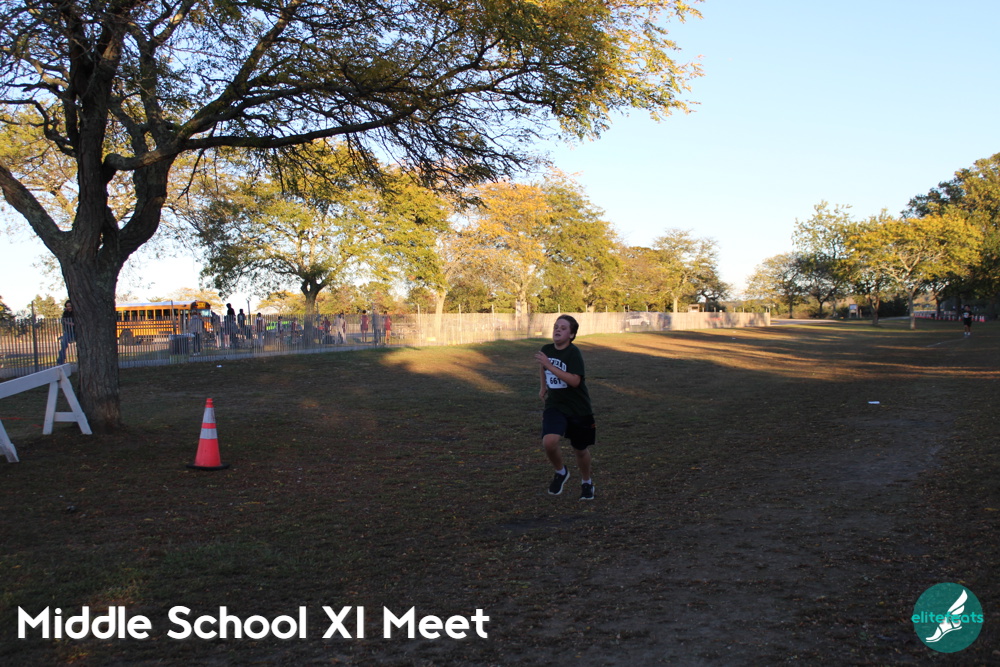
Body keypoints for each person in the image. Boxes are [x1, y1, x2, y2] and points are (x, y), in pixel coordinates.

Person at [534, 315, 597, 501]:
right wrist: (543, 386)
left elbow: (575, 381)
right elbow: (543, 368)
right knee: (549, 442)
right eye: (556, 326)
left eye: (563, 328)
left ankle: (586, 482)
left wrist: (549, 365)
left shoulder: (573, 353)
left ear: (571, 334)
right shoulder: (546, 349)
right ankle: (561, 472)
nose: (558, 330)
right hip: (555, 405)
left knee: (580, 450)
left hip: (578, 408)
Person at [56, 300, 75, 365]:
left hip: (76, 331)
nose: (69, 307)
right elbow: (63, 321)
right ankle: (60, 361)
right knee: (63, 345)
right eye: (67, 306)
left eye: (70, 306)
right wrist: (69, 323)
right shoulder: (66, 313)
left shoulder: (75, 312)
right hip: (68, 331)